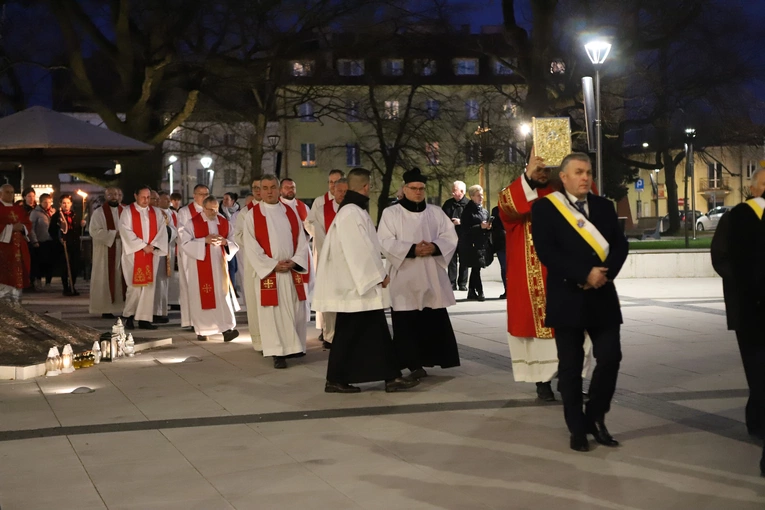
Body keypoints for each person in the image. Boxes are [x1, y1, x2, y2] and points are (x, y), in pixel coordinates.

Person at [531, 152, 628, 452]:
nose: (586, 177)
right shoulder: (546, 209)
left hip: (603, 296)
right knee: (570, 368)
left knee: (610, 358)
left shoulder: (604, 206)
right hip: (567, 297)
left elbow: (620, 245)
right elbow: (547, 252)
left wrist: (603, 275)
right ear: (564, 176)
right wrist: (583, 274)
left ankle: (595, 417)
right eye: (579, 172)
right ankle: (576, 427)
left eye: (588, 172)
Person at [314, 168, 419, 393]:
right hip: (355, 287)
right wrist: (379, 276)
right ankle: (341, 379)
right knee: (352, 333)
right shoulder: (352, 212)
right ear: (365, 187)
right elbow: (358, 250)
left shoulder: (352, 211)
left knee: (368, 332)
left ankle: (388, 376)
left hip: (357, 286)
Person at [378, 168, 460, 379]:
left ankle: (431, 359)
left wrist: (434, 247)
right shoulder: (391, 213)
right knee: (406, 323)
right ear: (404, 189)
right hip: (405, 275)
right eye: (413, 188)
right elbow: (385, 241)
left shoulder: (435, 212)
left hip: (431, 274)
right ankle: (412, 364)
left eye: (421, 188)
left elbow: (450, 237)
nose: (418, 192)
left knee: (431, 319)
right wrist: (413, 250)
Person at [711, 167, 765, 475]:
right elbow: (721, 258)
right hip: (747, 309)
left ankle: (757, 417)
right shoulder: (734, 218)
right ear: (754, 188)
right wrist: (747, 286)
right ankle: (756, 415)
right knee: (756, 370)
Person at [498, 149, 558, 401]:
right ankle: (542, 382)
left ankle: (569, 378)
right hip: (530, 274)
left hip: (560, 273)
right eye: (538, 169)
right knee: (537, 332)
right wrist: (528, 177)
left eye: (547, 169)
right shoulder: (520, 192)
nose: (543, 174)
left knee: (572, 328)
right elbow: (507, 208)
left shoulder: (563, 191)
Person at [243, 174, 309, 368]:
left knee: (294, 309)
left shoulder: (291, 212)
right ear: (259, 191)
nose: (269, 191)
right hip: (270, 272)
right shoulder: (252, 215)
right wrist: (272, 264)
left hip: (290, 270)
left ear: (279, 189)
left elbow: (301, 241)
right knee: (272, 313)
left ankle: (294, 346)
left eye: (273, 187)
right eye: (265, 188)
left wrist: (295, 261)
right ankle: (277, 352)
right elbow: (251, 245)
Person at [180, 195, 240, 342]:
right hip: (200, 268)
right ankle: (202, 330)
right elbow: (185, 244)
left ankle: (227, 330)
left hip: (219, 267)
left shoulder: (224, 223)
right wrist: (204, 241)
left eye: (216, 209)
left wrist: (225, 242)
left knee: (222, 296)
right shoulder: (192, 223)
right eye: (210, 210)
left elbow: (234, 242)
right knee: (201, 297)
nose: (214, 213)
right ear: (203, 208)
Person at [119, 185, 168, 330]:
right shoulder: (127, 212)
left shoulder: (156, 212)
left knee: (148, 287)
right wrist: (142, 246)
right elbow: (125, 231)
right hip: (133, 255)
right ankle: (128, 316)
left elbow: (161, 231)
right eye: (143, 197)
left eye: (149, 197)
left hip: (151, 254)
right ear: (135, 196)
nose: (146, 200)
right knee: (134, 287)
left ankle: (144, 318)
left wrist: (152, 246)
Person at [306, 169, 345, 349]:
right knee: (327, 292)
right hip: (324, 254)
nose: (333, 185)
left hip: (345, 257)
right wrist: (323, 238)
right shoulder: (320, 203)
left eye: (337, 182)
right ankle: (326, 330)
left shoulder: (349, 201)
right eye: (331, 182)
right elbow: (310, 223)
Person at [234, 178, 264, 352]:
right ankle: (259, 340)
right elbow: (238, 235)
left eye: (261, 188)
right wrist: (256, 243)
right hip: (253, 263)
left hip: (274, 262)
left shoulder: (278, 210)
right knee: (254, 301)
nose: (258, 191)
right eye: (255, 188)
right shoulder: (245, 213)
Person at [88, 187, 126, 318]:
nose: (114, 197)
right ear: (106, 196)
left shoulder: (125, 211)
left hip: (123, 250)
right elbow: (94, 232)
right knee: (104, 278)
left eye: (116, 194)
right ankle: (106, 309)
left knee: (122, 277)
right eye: (110, 194)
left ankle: (124, 308)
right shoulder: (98, 213)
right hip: (105, 252)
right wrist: (114, 235)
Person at [176, 185, 209, 329]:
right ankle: (190, 320)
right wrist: (201, 241)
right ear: (194, 195)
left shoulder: (211, 210)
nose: (204, 197)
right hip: (189, 254)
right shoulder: (184, 212)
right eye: (201, 194)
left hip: (208, 253)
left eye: (206, 194)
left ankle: (206, 318)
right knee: (189, 286)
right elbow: (182, 232)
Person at [459, 185, 492, 302]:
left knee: (476, 268)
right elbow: (465, 230)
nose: (481, 197)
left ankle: (472, 291)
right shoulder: (467, 212)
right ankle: (480, 291)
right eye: (478, 195)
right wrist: (479, 227)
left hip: (482, 244)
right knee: (476, 267)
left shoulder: (484, 211)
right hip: (471, 245)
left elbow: (486, 228)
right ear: (472, 196)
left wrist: (487, 228)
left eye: (482, 195)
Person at [0, 184, 31, 302]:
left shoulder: (19, 209)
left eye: (12, 192)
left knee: (18, 275)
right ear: (0, 194)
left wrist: (22, 227)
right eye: (7, 192)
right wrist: (11, 228)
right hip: (3, 249)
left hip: (18, 249)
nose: (10, 195)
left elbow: (27, 223)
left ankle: (17, 303)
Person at [153, 191, 178, 324]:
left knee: (163, 282)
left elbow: (176, 229)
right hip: (156, 251)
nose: (168, 202)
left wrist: (169, 232)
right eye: (164, 200)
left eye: (169, 200)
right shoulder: (154, 212)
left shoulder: (172, 213)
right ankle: (154, 312)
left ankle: (162, 310)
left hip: (168, 250)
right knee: (156, 282)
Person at [442, 181, 470, 291]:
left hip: (464, 236)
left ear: (462, 191)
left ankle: (462, 283)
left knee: (464, 261)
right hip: (451, 236)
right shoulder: (448, 204)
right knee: (451, 261)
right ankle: (451, 283)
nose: (452, 192)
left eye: (455, 190)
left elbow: (472, 220)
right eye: (452, 190)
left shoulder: (468, 204)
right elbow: (441, 218)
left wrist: (461, 221)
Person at [56, 194, 86, 296]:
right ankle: (65, 287)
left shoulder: (75, 215)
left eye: (68, 203)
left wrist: (82, 225)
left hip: (74, 243)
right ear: (60, 204)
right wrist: (59, 237)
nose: (66, 205)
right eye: (64, 203)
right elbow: (52, 230)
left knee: (74, 266)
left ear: (71, 204)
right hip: (63, 244)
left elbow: (78, 230)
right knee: (64, 266)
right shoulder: (57, 216)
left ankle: (72, 285)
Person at [29, 193, 57, 290]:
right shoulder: (35, 213)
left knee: (50, 262)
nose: (47, 204)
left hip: (51, 241)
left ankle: (48, 282)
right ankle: (38, 280)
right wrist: (34, 240)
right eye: (45, 202)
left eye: (49, 202)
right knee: (40, 262)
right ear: (41, 202)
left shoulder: (53, 212)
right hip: (40, 241)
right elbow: (31, 228)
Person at [491, 205, 507, 299]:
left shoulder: (513, 208)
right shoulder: (496, 210)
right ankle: (507, 290)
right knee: (504, 267)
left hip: (512, 242)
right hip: (501, 243)